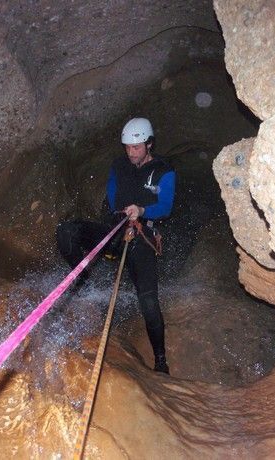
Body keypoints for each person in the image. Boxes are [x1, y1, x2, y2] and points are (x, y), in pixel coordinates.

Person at [56, 117, 176, 374]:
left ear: (149, 144)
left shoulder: (164, 171)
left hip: (141, 237)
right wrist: (117, 216)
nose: (130, 152)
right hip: (115, 231)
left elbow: (165, 207)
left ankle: (161, 360)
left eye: (136, 147)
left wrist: (141, 210)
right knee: (66, 232)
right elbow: (112, 195)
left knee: (149, 301)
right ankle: (85, 276)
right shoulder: (119, 165)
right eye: (127, 147)